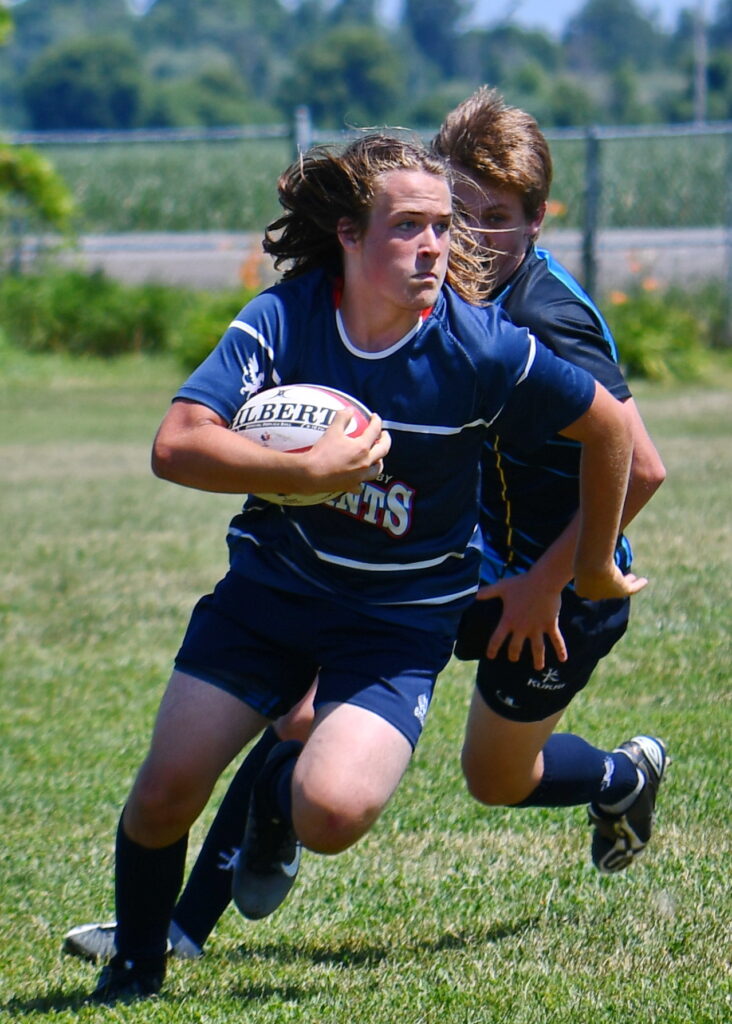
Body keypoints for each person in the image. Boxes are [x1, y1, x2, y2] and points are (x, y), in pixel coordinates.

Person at [72, 131, 643, 1004]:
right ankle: (136, 969)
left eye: (444, 228)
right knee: (164, 792)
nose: (436, 248)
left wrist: (591, 564)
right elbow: (177, 445)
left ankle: (277, 802)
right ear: (347, 234)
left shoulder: (479, 347)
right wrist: (305, 474)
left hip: (397, 622)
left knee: (332, 812)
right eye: (410, 225)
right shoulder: (288, 317)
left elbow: (612, 433)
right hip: (270, 596)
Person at [431, 87, 668, 872]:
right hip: (484, 557)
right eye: (457, 211)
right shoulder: (449, 282)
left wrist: (543, 582)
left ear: (537, 220)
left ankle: (623, 776)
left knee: (494, 778)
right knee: (322, 668)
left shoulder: (545, 318)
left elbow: (644, 465)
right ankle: (243, 858)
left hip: (560, 589)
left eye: (495, 216)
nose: (472, 235)